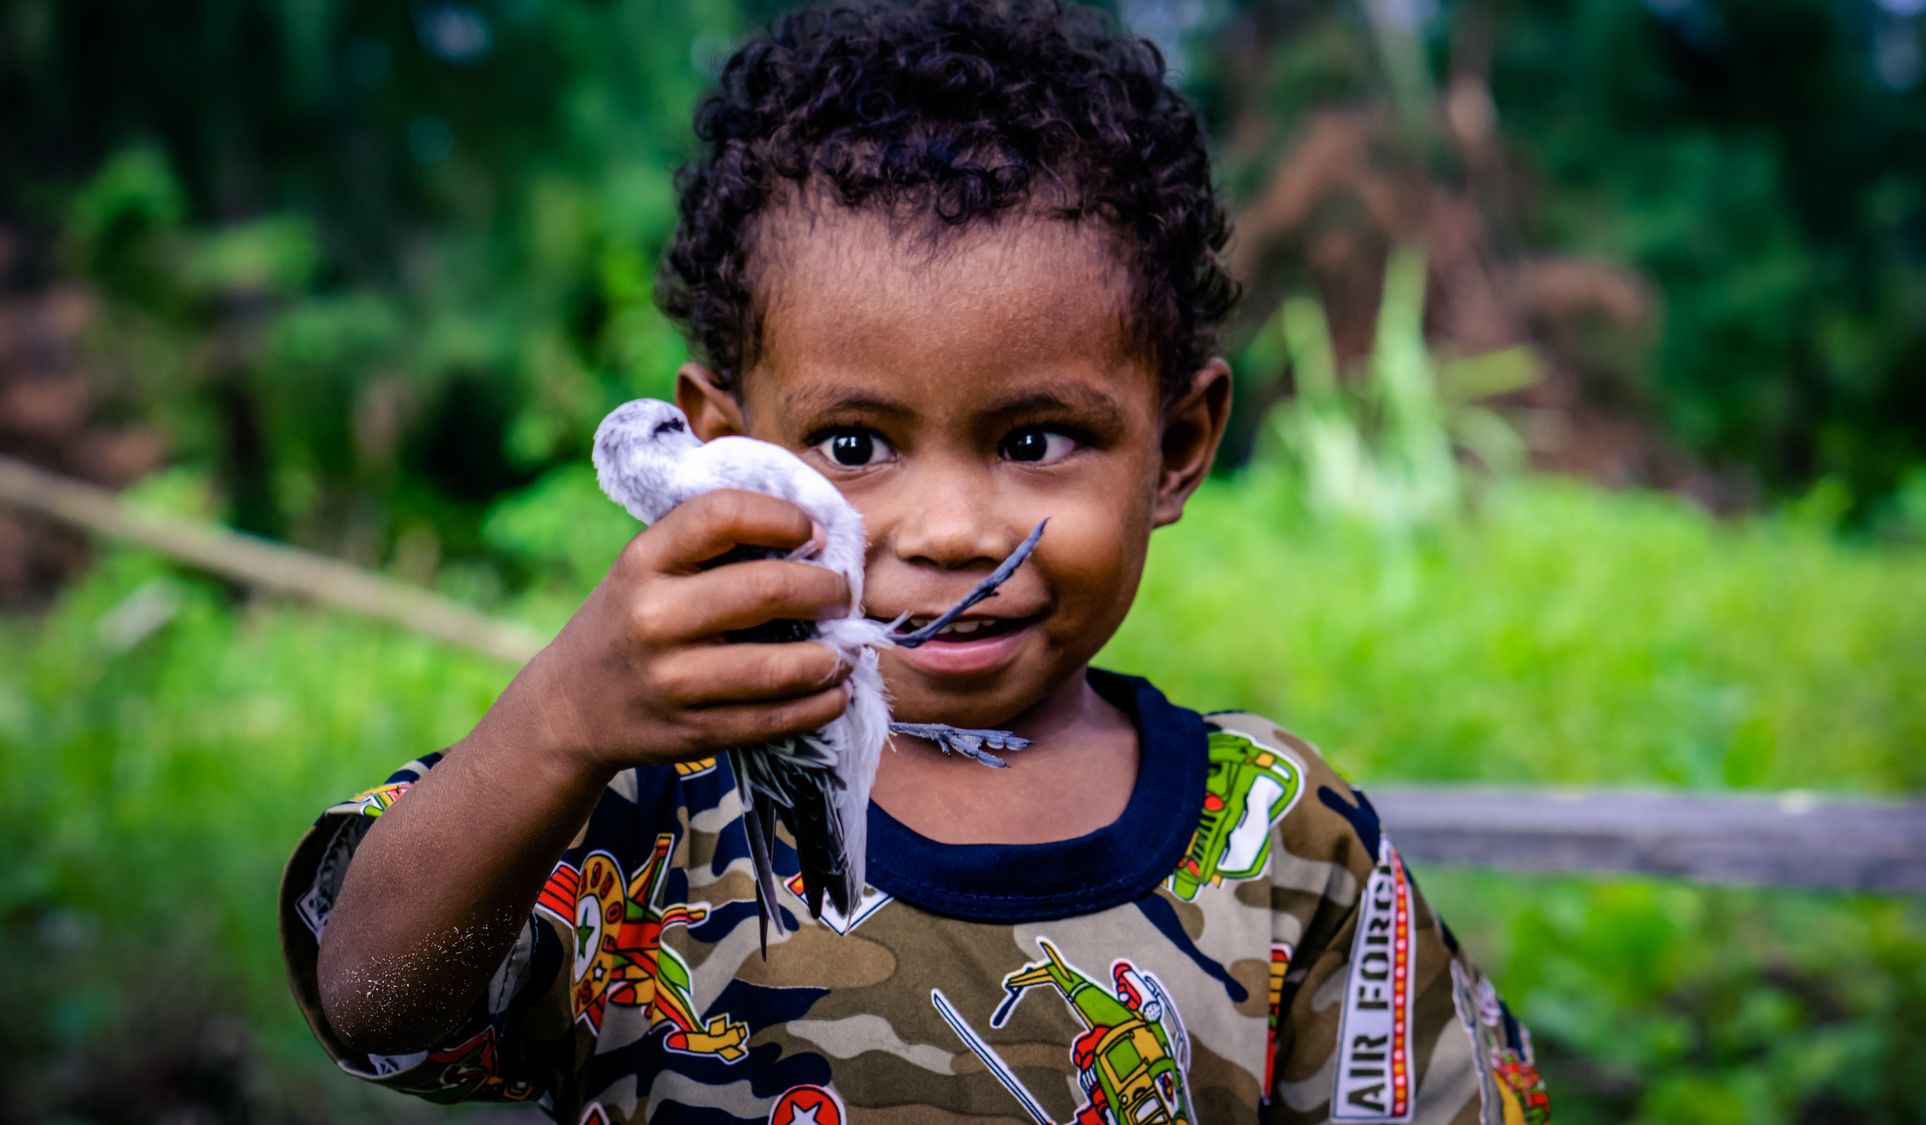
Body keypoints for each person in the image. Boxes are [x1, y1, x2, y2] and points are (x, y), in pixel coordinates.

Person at [278, 2, 1552, 1122]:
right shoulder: (651, 803)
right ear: (729, 456)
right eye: (852, 443)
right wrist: (556, 723)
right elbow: (375, 1003)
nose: (947, 529)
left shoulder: (1279, 839)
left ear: (1176, 447)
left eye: (1036, 438)